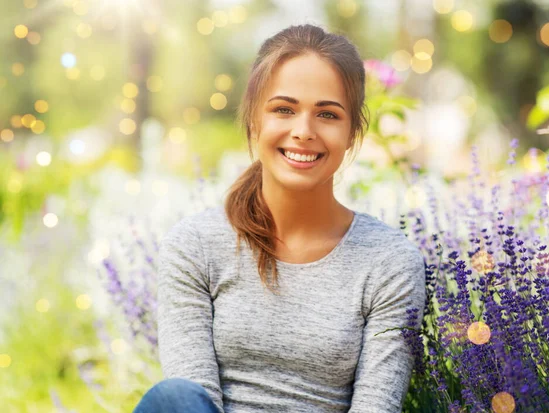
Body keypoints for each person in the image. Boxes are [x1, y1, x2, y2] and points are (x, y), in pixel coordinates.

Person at [133, 23, 426, 413]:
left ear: (353, 132)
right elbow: (194, 398)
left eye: (327, 114)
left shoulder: (389, 262)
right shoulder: (195, 246)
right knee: (175, 398)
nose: (303, 131)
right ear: (255, 119)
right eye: (284, 109)